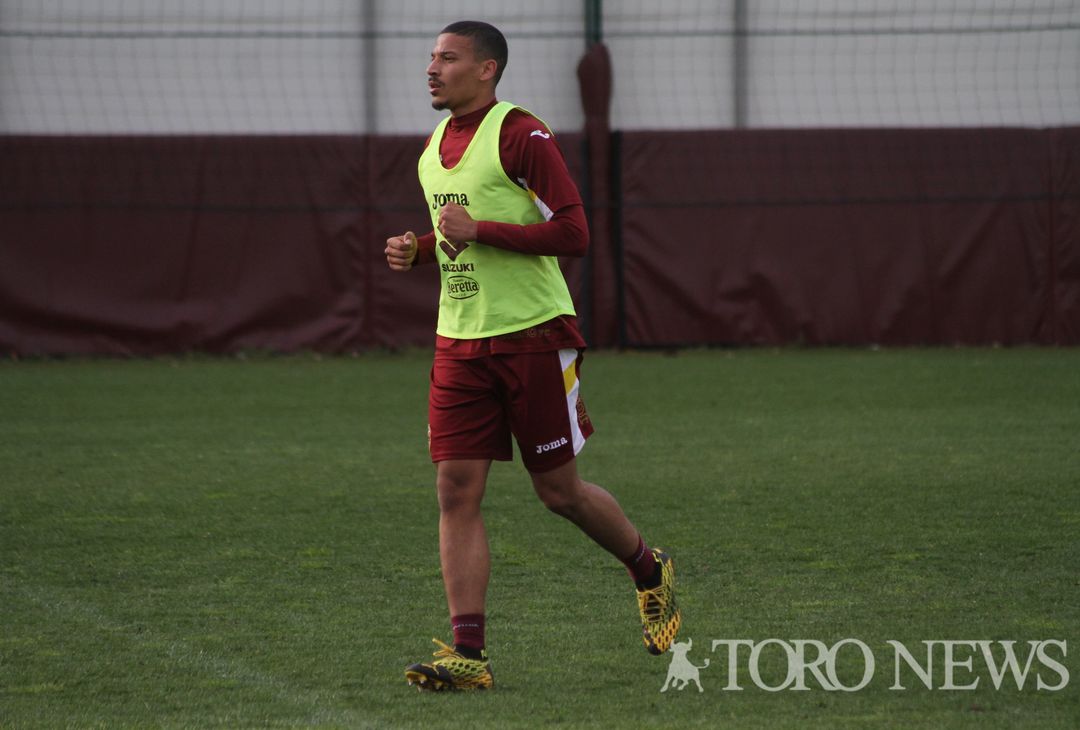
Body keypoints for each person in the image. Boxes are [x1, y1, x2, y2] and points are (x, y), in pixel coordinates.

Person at [385, 20, 680, 692]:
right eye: (431, 57)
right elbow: (456, 237)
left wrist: (478, 229)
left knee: (560, 494)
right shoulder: (433, 149)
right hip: (459, 341)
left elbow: (574, 232)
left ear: (486, 70)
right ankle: (469, 655)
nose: (432, 68)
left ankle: (647, 567)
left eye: (448, 58)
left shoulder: (522, 133)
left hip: (534, 337)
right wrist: (421, 249)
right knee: (455, 491)